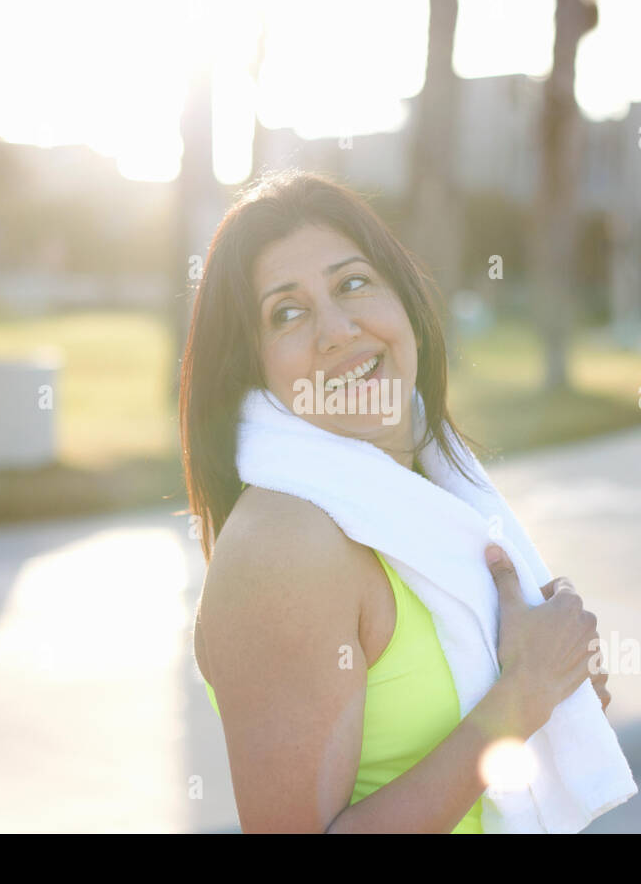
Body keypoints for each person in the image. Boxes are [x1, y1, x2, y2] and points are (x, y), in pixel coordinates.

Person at [180, 169, 609, 833]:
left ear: (403, 301)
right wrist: (521, 701)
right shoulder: (284, 544)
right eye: (286, 312)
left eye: (353, 283)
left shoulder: (418, 498)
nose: (337, 329)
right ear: (252, 365)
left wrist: (555, 695)